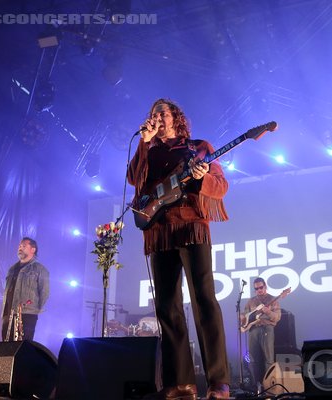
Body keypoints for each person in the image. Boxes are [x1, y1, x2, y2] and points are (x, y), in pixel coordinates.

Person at [127, 98, 230, 400]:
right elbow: (134, 179)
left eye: (163, 112)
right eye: (153, 113)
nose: (157, 117)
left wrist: (203, 178)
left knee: (204, 301)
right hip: (160, 232)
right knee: (168, 307)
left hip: (192, 225)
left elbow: (221, 185)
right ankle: (180, 382)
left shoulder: (198, 146)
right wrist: (143, 144)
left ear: (175, 118)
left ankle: (218, 382)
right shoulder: (149, 148)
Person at [2, 237, 50, 342]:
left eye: (24, 246)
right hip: (8, 314)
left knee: (22, 348)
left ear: (33, 249)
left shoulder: (40, 269)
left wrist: (33, 309)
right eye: (19, 246)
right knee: (5, 348)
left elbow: (45, 292)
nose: (20, 248)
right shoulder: (12, 269)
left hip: (27, 315)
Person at [241, 277, 281, 391]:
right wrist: (242, 318)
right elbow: (245, 315)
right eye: (256, 288)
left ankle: (271, 386)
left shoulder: (273, 299)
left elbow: (277, 317)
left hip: (267, 329)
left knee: (268, 359)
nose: (259, 290)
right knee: (253, 359)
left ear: (265, 287)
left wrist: (267, 311)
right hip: (253, 330)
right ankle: (257, 386)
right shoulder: (251, 301)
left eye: (261, 287)